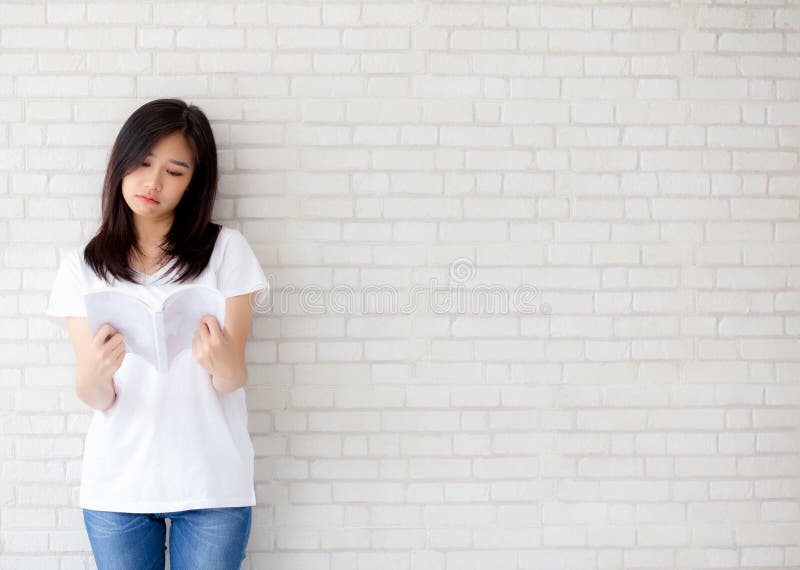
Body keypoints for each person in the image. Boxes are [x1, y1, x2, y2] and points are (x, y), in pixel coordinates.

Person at [44, 98, 269, 569]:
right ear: (121, 164)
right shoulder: (83, 267)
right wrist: (96, 370)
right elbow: (96, 396)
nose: (153, 182)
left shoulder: (227, 251)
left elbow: (232, 379)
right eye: (144, 163)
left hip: (212, 483)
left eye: (175, 170)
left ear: (194, 182)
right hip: (118, 484)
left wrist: (220, 360)